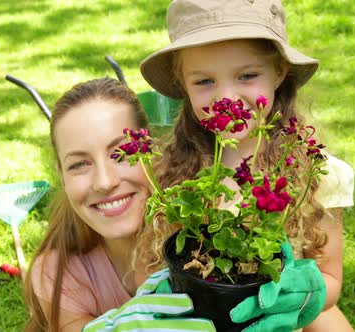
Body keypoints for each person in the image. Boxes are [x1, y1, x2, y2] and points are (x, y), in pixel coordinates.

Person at [138, 0, 355, 331]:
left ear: (279, 72)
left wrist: (303, 295)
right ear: (182, 83)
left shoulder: (319, 174)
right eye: (204, 81)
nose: (228, 97)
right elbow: (161, 267)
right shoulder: (171, 178)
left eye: (248, 75)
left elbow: (330, 280)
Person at [23, 78, 215, 331]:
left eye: (120, 153)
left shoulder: (205, 232)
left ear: (152, 151)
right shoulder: (59, 273)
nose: (104, 182)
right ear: (62, 177)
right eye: (79, 164)